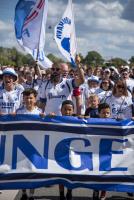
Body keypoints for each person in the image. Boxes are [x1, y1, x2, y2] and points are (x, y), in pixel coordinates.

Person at [17, 88, 43, 200]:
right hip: (21, 145)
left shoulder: (40, 113)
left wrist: (49, 117)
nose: (29, 100)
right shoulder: (19, 112)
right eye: (26, 98)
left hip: (35, 146)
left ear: (35, 99)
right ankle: (23, 193)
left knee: (33, 171)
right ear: (23, 99)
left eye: (31, 98)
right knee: (22, 170)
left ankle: (32, 195)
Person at [92, 103, 111, 200]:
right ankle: (95, 190)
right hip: (96, 152)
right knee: (96, 172)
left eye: (108, 113)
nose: (106, 115)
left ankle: (103, 193)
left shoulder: (114, 122)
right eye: (103, 113)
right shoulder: (94, 122)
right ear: (99, 113)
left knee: (105, 173)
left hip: (107, 152)